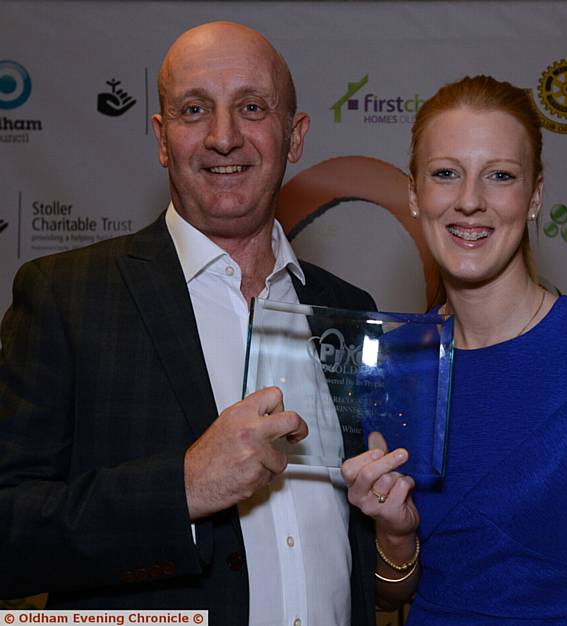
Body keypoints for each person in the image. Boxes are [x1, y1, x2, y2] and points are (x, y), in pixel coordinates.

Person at [0, 22, 376, 625]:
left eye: (251, 107)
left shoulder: (351, 311)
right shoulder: (67, 297)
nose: (223, 138)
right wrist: (182, 489)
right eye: (194, 109)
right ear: (161, 137)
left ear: (295, 135)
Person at [342, 75, 567, 624]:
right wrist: (396, 535)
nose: (471, 201)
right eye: (445, 174)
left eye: (499, 176)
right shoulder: (387, 365)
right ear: (414, 193)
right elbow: (390, 596)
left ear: (535, 195)